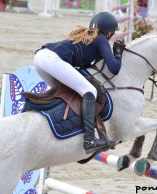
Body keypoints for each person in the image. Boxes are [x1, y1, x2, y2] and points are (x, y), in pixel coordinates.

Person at [33, 12, 125, 154]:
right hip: (52, 60)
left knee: (64, 92)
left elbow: (86, 65)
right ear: (108, 33)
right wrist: (118, 53)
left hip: (40, 58)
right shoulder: (101, 39)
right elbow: (114, 68)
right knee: (90, 91)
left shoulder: (87, 36)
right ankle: (89, 140)